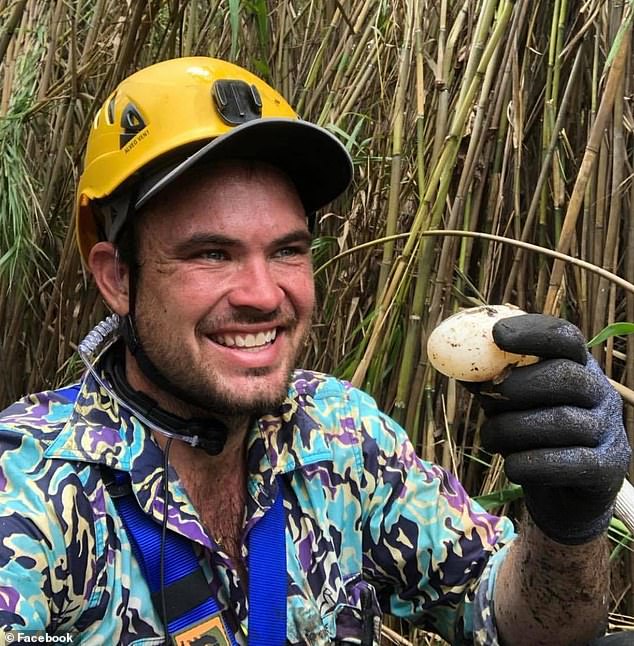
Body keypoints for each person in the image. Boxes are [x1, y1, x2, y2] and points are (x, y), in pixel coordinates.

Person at [0, 56, 630, 646]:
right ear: (117, 278)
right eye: (211, 253)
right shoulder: (30, 484)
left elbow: (517, 622)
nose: (262, 294)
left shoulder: (341, 433)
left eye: (287, 250)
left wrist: (567, 531)